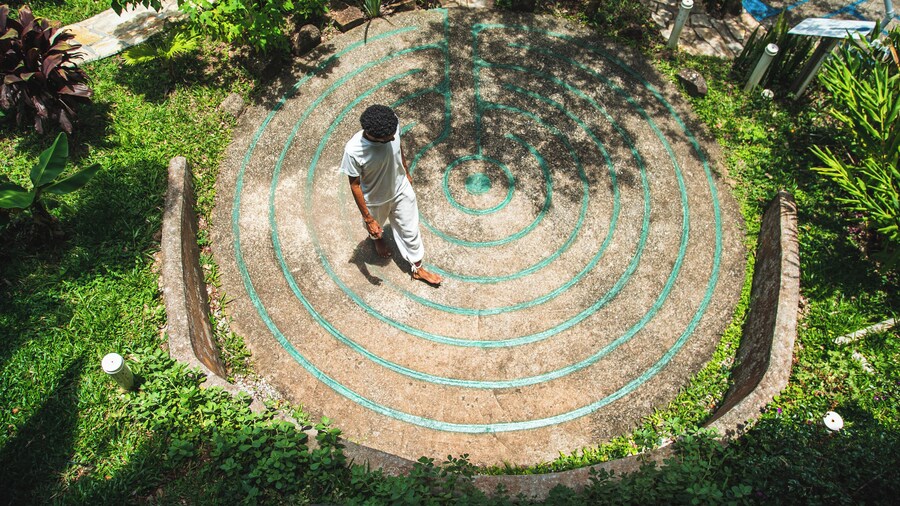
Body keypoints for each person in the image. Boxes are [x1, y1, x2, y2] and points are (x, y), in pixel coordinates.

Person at [340, 104, 442, 286]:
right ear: (374, 136)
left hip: (401, 190)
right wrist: (368, 219)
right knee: (375, 229)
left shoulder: (391, 125)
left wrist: (406, 170)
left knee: (410, 230)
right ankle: (377, 240)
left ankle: (417, 268)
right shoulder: (354, 151)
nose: (394, 136)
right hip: (375, 199)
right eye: (389, 138)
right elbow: (354, 185)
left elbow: (398, 146)